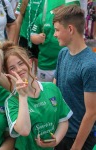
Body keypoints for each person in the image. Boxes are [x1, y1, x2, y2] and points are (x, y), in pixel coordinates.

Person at [2, 41, 73, 150]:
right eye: (12, 68)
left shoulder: (51, 88)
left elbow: (63, 120)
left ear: (30, 63)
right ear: (8, 75)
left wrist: (56, 140)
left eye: (21, 63)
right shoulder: (11, 101)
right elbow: (24, 131)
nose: (19, 69)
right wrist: (23, 96)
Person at [53, 5, 96, 150]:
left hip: (78, 139)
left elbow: (92, 113)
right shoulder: (62, 54)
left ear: (70, 29)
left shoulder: (90, 65)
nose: (54, 34)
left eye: (57, 30)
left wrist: (76, 147)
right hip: (60, 132)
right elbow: (55, 90)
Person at [30, 0, 65, 82]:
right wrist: (38, 38)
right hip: (45, 64)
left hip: (63, 64)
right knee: (45, 89)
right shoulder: (43, 17)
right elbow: (32, 36)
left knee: (60, 90)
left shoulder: (68, 17)